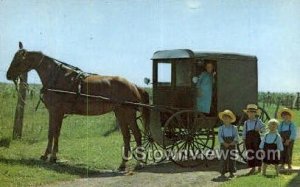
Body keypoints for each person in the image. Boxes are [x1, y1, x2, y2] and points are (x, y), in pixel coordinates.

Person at [242, 104, 265, 175]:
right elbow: (244, 132)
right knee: (250, 153)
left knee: (257, 152)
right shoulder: (246, 122)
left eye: (252, 112)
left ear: (255, 113)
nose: (251, 114)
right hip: (248, 140)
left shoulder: (258, 121)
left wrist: (259, 129)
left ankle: (259, 167)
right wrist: (243, 140)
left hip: (256, 139)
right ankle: (252, 167)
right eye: (249, 112)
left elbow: (264, 128)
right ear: (247, 113)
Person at [218, 109, 239, 178]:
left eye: (227, 118)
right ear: (222, 119)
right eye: (224, 118)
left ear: (230, 119)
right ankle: (222, 172)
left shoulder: (234, 128)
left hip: (232, 144)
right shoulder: (221, 128)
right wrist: (224, 143)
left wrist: (233, 142)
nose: (226, 120)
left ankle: (231, 172)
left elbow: (236, 136)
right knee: (223, 158)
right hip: (224, 145)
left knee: (232, 158)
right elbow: (220, 137)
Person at [277, 108, 297, 172]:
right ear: (282, 117)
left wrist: (289, 140)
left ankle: (289, 164)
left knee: (288, 152)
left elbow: (293, 133)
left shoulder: (292, 124)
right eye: (284, 116)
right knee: (282, 152)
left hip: (290, 140)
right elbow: (278, 132)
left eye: (287, 116)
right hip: (282, 140)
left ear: (290, 117)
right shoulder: (281, 124)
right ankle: (282, 164)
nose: (285, 117)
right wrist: (281, 138)